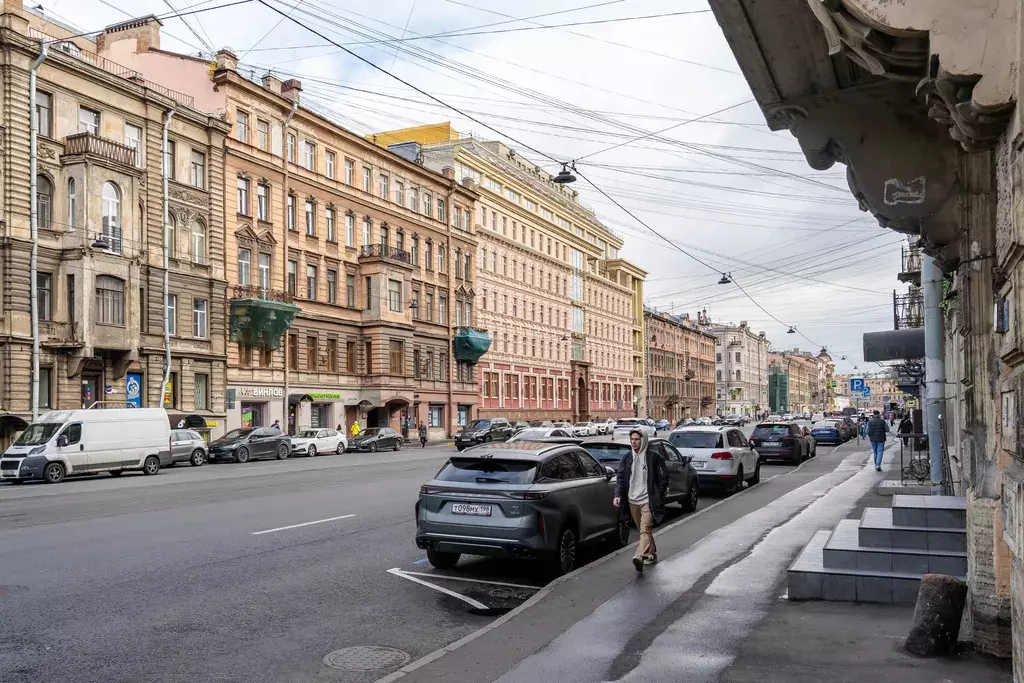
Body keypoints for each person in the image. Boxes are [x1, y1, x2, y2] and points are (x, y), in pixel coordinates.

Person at [613, 429, 668, 573]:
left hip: (647, 500)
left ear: (643, 440)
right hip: (632, 499)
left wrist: (657, 495)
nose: (634, 442)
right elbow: (620, 478)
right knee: (644, 530)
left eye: (637, 439)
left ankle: (639, 556)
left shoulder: (654, 457)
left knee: (645, 528)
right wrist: (617, 495)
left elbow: (663, 478)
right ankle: (652, 553)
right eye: (632, 439)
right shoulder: (627, 457)